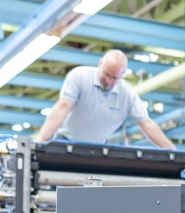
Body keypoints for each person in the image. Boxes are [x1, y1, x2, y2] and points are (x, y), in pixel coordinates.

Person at [32, 50, 176, 149]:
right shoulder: (79, 76)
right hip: (66, 142)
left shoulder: (127, 95)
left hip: (98, 148)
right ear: (100, 63)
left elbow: (147, 124)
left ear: (123, 74)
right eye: (106, 74)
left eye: (114, 78)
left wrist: (174, 152)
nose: (108, 81)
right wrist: (40, 139)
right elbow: (62, 107)